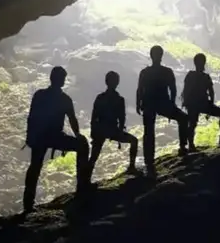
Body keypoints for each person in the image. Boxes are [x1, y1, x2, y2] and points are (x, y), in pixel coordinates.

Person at [23, 65, 90, 213]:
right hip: (55, 136)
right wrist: (78, 135)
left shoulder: (39, 95)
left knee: (35, 166)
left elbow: (31, 117)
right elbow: (72, 120)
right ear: (62, 81)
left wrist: (29, 136)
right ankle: (82, 186)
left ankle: (27, 204)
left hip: (40, 136)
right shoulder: (65, 99)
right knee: (83, 145)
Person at [136, 45, 189, 176]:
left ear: (151, 55)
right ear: (161, 56)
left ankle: (149, 161)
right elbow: (173, 89)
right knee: (183, 118)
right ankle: (183, 147)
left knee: (149, 132)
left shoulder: (145, 72)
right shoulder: (167, 71)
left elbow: (140, 89)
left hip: (149, 104)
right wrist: (172, 104)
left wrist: (139, 103)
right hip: (163, 103)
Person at [90, 71, 139, 176]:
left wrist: (93, 132)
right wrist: (120, 131)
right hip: (113, 130)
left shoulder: (100, 98)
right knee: (134, 141)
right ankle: (131, 167)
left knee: (94, 155)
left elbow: (94, 117)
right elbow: (122, 118)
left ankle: (86, 179)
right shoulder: (119, 99)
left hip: (100, 130)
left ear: (106, 82)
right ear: (117, 83)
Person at [182, 53, 220, 149]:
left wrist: (186, 102)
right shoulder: (205, 77)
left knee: (192, 124)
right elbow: (211, 92)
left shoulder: (190, 75)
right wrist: (210, 104)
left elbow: (185, 90)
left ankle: (190, 144)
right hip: (202, 104)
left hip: (194, 104)